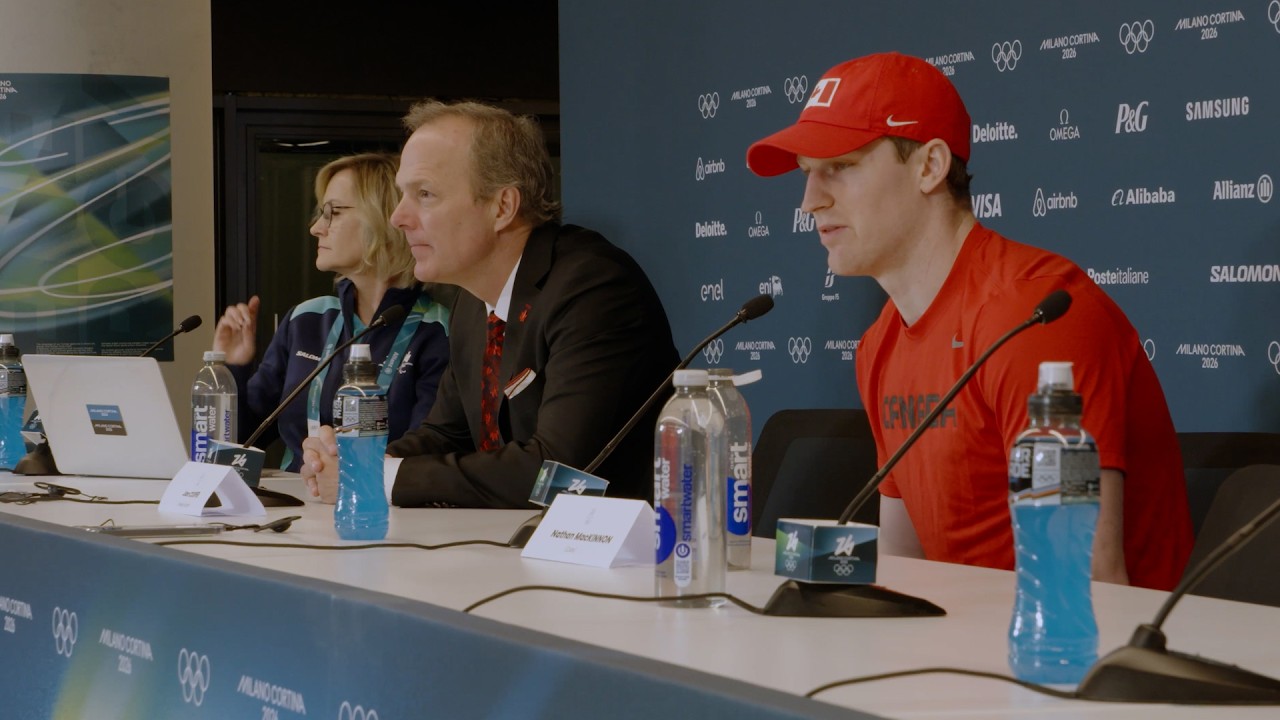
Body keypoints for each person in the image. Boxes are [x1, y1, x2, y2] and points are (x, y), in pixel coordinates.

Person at [746, 52, 1192, 590]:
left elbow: (1084, 586)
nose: (809, 202)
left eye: (839, 167)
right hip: (960, 649)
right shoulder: (878, 346)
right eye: (806, 175)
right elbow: (903, 570)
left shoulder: (1031, 321)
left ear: (930, 167)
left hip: (1090, 662)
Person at [300, 100, 679, 508]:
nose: (398, 218)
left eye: (424, 194)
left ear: (502, 207)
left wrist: (381, 477)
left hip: (631, 559)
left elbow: (558, 469)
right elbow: (448, 435)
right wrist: (358, 460)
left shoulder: (593, 288)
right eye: (401, 196)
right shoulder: (473, 303)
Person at [214, 153, 451, 472]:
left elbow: (432, 447)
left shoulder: (438, 329)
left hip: (380, 507)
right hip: (297, 505)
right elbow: (238, 441)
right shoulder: (305, 319)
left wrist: (346, 468)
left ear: (383, 218)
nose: (315, 228)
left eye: (333, 213)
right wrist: (233, 369)